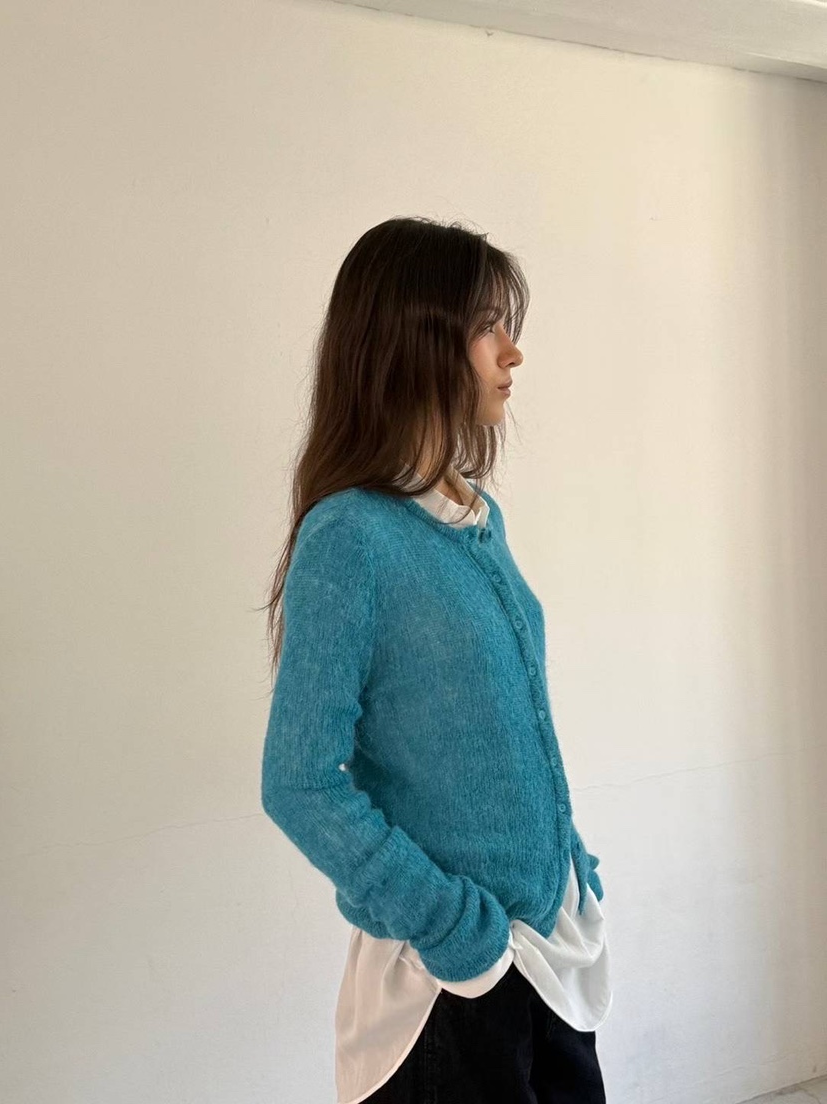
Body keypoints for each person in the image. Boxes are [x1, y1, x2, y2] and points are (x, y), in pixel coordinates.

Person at [260, 216, 612, 1103]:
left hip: (546, 954)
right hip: (448, 989)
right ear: (415, 340)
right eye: (487, 327)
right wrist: (450, 923)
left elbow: (503, 722)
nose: (512, 353)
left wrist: (566, 858)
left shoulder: (475, 515)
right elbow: (299, 782)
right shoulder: (351, 538)